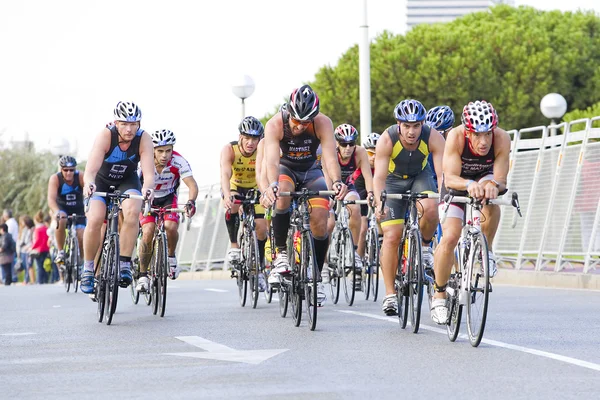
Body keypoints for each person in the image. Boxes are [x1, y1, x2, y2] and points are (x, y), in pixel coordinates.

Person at [261, 85, 348, 305]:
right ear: (289, 112)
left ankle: (316, 277)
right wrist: (272, 185)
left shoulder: (323, 123)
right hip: (286, 168)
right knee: (282, 193)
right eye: (296, 120)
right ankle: (280, 254)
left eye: (305, 121)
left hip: (311, 170)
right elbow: (271, 161)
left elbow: (330, 158)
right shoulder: (275, 124)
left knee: (320, 218)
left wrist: (337, 182)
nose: (300, 126)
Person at [430, 100, 510, 324]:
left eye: (488, 134)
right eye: (477, 134)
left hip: (484, 176)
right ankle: (439, 295)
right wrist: (466, 185)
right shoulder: (455, 137)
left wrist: (494, 186)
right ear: (467, 131)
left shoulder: (502, 138)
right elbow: (450, 176)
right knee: (451, 236)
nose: (483, 141)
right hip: (457, 182)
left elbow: (501, 178)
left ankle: (488, 251)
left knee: (491, 196)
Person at [373, 99, 445, 316]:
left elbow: (441, 174)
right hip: (392, 181)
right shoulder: (387, 139)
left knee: (431, 207)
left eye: (416, 126)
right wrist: (379, 203)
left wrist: (445, 200)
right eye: (406, 126)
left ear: (423, 123)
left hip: (419, 177)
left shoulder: (433, 137)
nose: (412, 131)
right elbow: (379, 178)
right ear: (398, 124)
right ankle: (389, 294)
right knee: (392, 236)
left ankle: (424, 248)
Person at [81, 101, 155, 294]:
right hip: (101, 180)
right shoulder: (106, 135)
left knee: (132, 210)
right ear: (116, 123)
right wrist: (89, 183)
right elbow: (90, 171)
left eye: (134, 124)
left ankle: (124, 262)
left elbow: (148, 174)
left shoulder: (144, 138)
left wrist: (148, 188)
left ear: (139, 124)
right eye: (124, 124)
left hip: (127, 180)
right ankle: (88, 269)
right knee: (96, 218)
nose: (129, 129)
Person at [136, 129, 198, 292]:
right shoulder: (143, 161)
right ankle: (143, 275)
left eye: (168, 150)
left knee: (170, 227)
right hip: (147, 198)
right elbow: (134, 184)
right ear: (153, 150)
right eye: (160, 151)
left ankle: (170, 257)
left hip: (168, 198)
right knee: (148, 231)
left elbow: (192, 184)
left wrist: (191, 201)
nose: (165, 155)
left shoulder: (179, 161)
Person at [219, 116, 268, 291]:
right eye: (247, 138)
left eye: (255, 139)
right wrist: (226, 195)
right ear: (240, 136)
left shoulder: (263, 150)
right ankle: (234, 245)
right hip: (235, 186)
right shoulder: (229, 149)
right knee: (232, 204)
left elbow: (264, 173)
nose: (250, 142)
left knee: (262, 227)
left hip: (255, 187)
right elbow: (225, 174)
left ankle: (259, 268)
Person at [323, 124, 373, 285]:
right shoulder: (329, 152)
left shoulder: (360, 153)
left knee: (355, 208)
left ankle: (354, 252)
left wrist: (372, 194)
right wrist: (330, 195)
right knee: (329, 224)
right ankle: (324, 262)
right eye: (344, 144)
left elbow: (368, 177)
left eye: (351, 143)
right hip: (329, 184)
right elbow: (326, 176)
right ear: (337, 143)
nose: (348, 147)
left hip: (349, 185)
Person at [47, 155, 86, 268]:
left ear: (75, 169)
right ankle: (61, 252)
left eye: (71, 170)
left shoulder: (80, 176)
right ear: (61, 169)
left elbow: (90, 192)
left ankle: (82, 261)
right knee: (61, 218)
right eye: (66, 170)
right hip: (62, 208)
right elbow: (51, 199)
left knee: (81, 235)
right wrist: (56, 211)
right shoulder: (55, 179)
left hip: (78, 209)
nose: (69, 173)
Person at [30, 211, 50, 284]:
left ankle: (39, 280)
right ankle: (45, 279)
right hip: (46, 248)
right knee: (44, 265)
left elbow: (37, 240)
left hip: (39, 249)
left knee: (39, 266)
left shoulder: (37, 229)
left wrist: (32, 247)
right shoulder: (45, 227)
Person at [17, 215, 35, 284]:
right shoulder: (24, 229)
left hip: (28, 249)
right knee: (25, 266)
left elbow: (30, 240)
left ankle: (29, 280)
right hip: (23, 250)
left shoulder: (31, 229)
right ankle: (26, 279)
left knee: (29, 265)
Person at [2, 209, 18, 283]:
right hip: (13, 245)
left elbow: (8, 235)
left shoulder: (9, 223)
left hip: (8, 247)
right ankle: (11, 277)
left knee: (8, 264)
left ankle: (9, 278)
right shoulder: (14, 222)